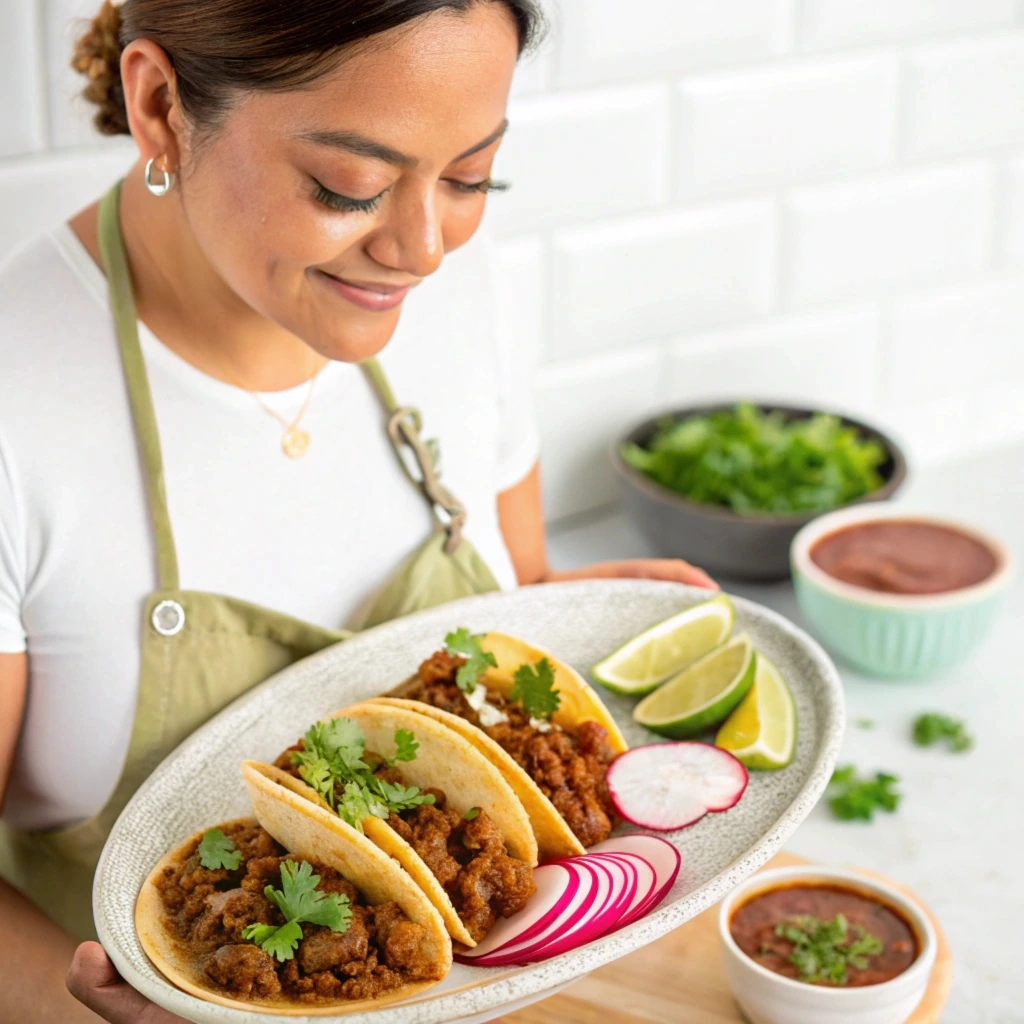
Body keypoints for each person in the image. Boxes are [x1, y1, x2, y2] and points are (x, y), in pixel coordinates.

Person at [0, 1, 715, 1019]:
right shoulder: (14, 410)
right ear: (160, 105)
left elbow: (517, 595)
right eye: (351, 187)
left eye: (471, 175)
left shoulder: (465, 299)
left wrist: (561, 619)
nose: (424, 247)